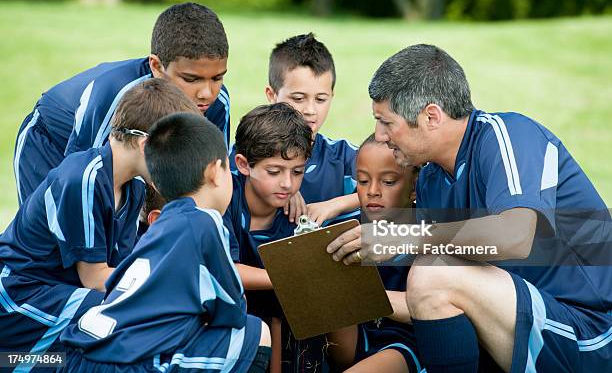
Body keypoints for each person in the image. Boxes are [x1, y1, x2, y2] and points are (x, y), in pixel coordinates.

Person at [327, 44, 612, 372]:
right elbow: (435, 295)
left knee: (432, 274)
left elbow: (517, 236)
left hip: (590, 333)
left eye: (386, 122)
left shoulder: (509, 136)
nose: (380, 135)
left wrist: (403, 237)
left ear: (431, 116)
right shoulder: (432, 178)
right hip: (520, 325)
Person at [0, 79, 200, 363]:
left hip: (62, 292)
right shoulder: (84, 179)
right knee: (123, 317)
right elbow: (95, 279)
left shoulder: (134, 188)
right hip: (22, 296)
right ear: (146, 145)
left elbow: (120, 267)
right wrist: (168, 286)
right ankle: (18, 363)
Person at [60, 112, 270, 373]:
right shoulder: (206, 222)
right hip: (129, 363)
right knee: (255, 332)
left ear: (156, 183)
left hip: (82, 350)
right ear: (216, 172)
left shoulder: (159, 225)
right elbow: (232, 310)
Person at [14, 2, 231, 205]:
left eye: (217, 78)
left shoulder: (218, 102)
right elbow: (81, 174)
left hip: (126, 160)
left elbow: (214, 178)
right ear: (156, 66)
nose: (207, 93)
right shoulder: (116, 93)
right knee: (59, 225)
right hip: (51, 142)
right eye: (191, 79)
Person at [231, 33, 359, 225]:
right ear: (272, 95)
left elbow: (399, 187)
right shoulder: (246, 153)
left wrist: (336, 205)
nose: (310, 110)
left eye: (321, 99)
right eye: (298, 98)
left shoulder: (342, 156)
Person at [224, 102, 313, 371]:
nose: (287, 183)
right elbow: (223, 269)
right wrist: (286, 276)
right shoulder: (223, 197)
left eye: (297, 172)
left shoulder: (294, 220)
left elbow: (276, 314)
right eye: (274, 172)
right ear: (243, 164)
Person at [327, 134, 422, 373]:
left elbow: (427, 308)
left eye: (389, 181)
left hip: (405, 342)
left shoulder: (428, 234)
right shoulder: (347, 231)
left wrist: (364, 297)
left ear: (414, 187)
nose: (373, 191)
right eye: (362, 181)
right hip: (353, 341)